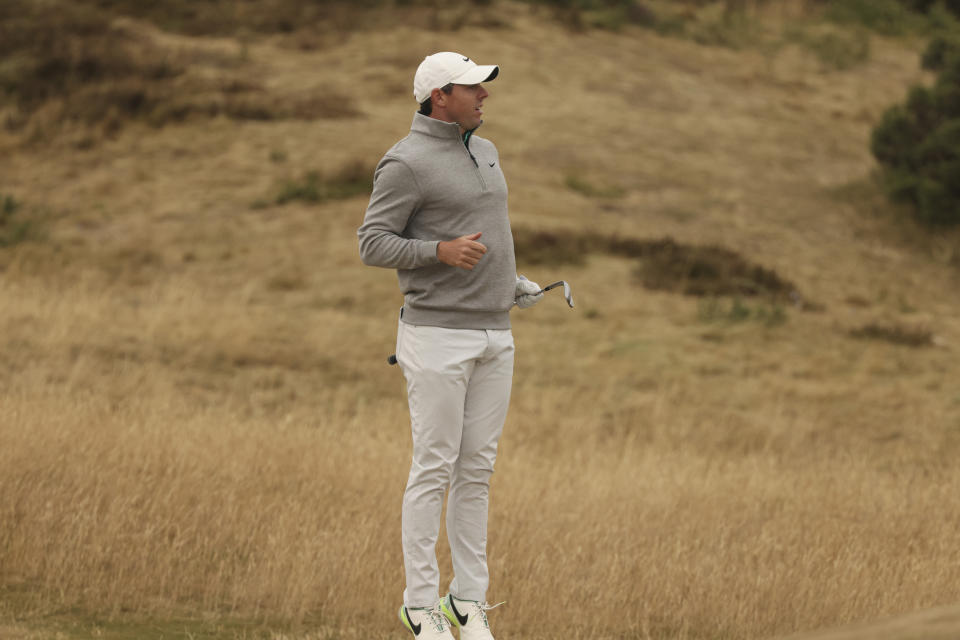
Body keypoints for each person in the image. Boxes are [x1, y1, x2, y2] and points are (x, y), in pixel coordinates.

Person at [358, 51, 543, 640]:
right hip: (436, 335)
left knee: (477, 471)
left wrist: (510, 283)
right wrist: (435, 252)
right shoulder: (405, 162)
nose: (485, 95)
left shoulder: (485, 150)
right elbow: (372, 243)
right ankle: (420, 606)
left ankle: (467, 601)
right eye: (474, 88)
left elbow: (487, 236)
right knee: (433, 469)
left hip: (495, 332)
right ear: (440, 95)